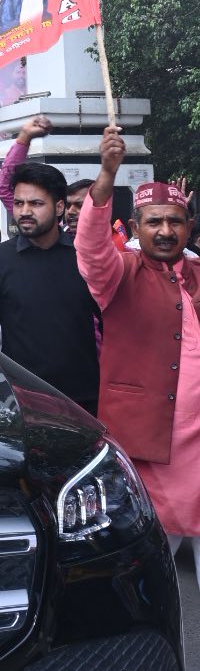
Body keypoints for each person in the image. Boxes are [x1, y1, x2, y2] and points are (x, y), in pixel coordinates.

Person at [75, 129, 200, 580]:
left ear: (188, 226)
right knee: (153, 578)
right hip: (150, 445)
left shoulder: (198, 272)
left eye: (175, 221)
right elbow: (89, 249)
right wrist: (107, 175)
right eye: (154, 222)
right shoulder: (119, 273)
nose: (166, 231)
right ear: (135, 227)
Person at [0, 160, 100, 412]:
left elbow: (109, 323)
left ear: (59, 207)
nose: (25, 211)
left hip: (86, 399)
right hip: (25, 400)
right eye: (18, 203)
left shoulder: (85, 257)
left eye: (36, 203)